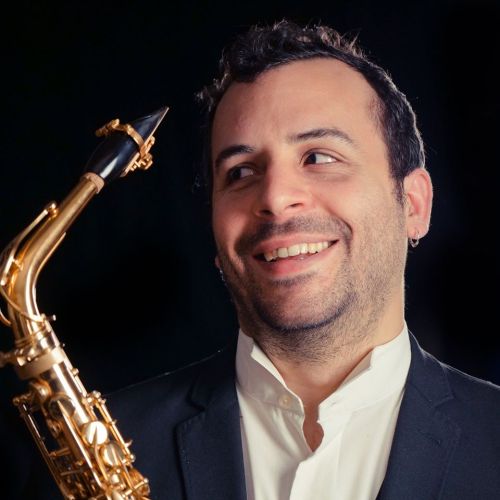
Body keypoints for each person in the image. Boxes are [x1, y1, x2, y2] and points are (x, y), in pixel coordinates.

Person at [6, 19, 500, 500]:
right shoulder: (72, 473)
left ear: (413, 205)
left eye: (319, 157)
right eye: (241, 172)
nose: (276, 198)